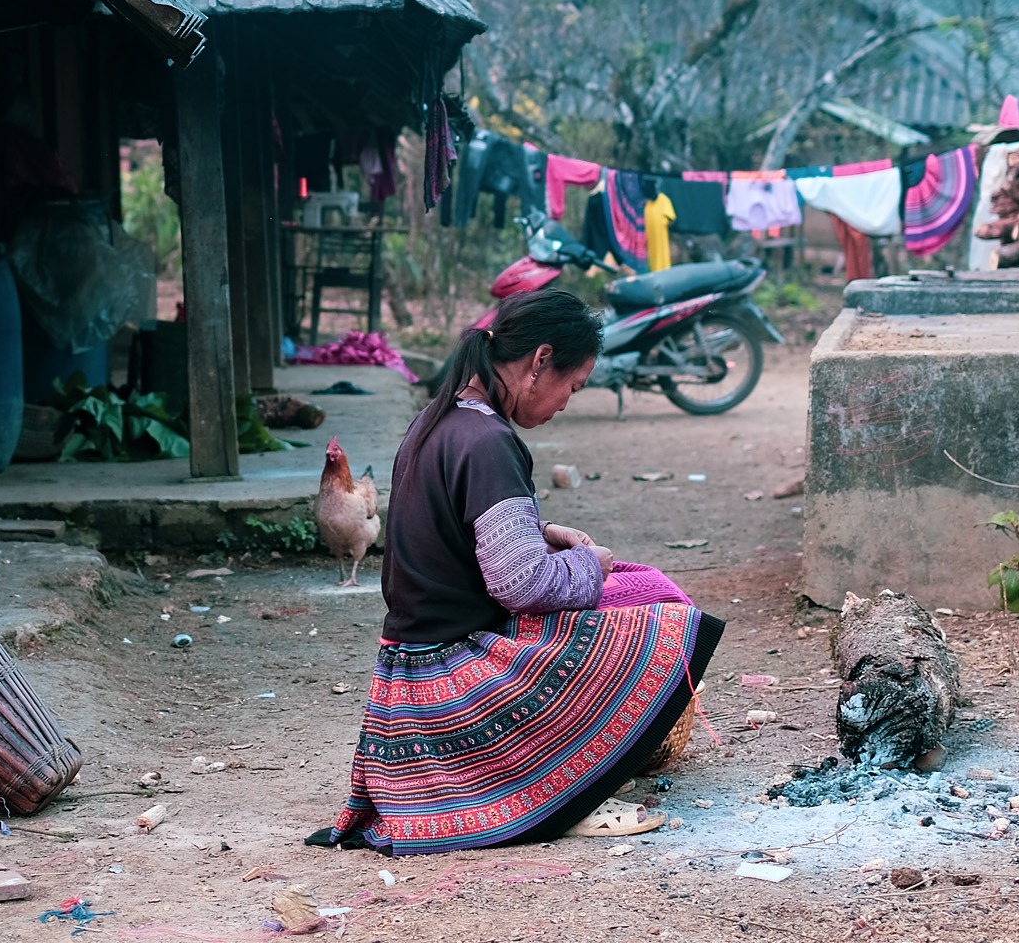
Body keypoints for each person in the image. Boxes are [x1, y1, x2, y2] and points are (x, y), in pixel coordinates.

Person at [309, 288, 724, 855]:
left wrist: (544, 531)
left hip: (403, 677)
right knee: (661, 619)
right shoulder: (487, 441)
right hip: (452, 675)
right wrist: (590, 566)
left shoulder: (439, 421)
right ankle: (565, 789)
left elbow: (459, 531)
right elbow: (521, 585)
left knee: (636, 590)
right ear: (539, 362)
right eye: (572, 387)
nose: (565, 404)